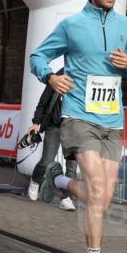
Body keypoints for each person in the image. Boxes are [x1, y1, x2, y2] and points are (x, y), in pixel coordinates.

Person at [29, 0, 127, 253]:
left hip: (113, 122)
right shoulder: (72, 25)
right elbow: (38, 56)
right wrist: (51, 76)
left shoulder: (124, 25)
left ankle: (58, 178)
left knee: (102, 198)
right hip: (79, 117)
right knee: (94, 188)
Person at [26, 69, 78, 211]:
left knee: (72, 166)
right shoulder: (57, 78)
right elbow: (42, 103)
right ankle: (35, 180)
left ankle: (66, 197)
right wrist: (36, 122)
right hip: (54, 127)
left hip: (73, 130)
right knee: (47, 160)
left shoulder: (83, 79)